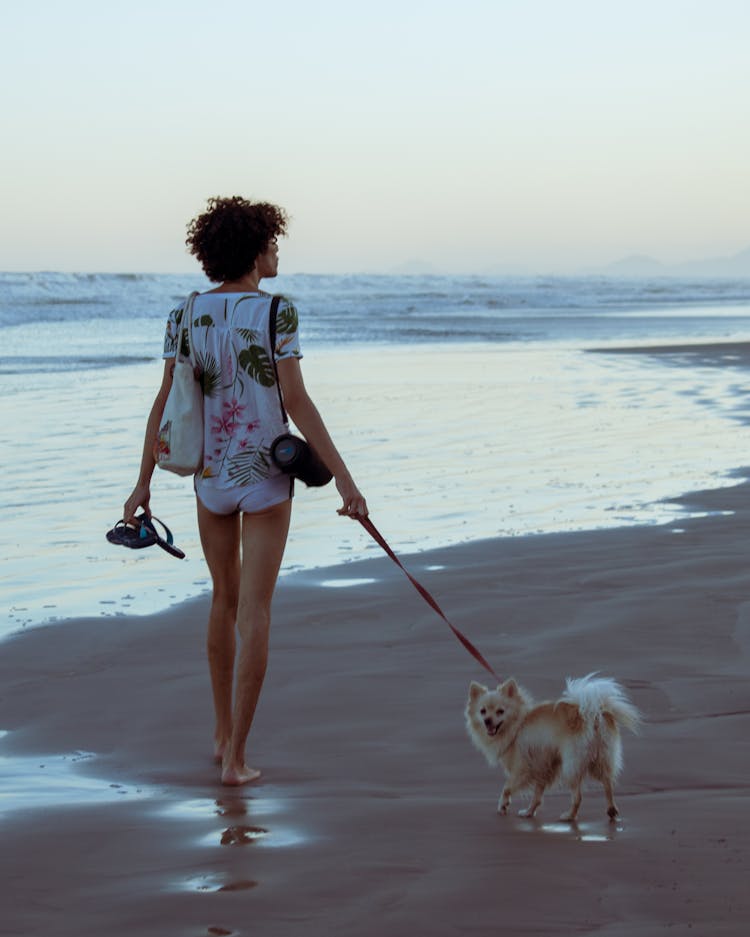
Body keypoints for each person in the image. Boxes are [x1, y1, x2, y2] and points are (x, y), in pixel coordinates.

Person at [123, 196, 367, 785]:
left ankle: (220, 734)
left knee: (222, 601)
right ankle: (237, 760)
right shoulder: (276, 312)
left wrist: (142, 482)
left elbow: (166, 402)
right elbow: (297, 401)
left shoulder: (183, 314)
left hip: (209, 476)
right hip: (264, 475)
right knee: (256, 610)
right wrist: (348, 481)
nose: (277, 252)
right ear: (256, 250)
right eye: (273, 242)